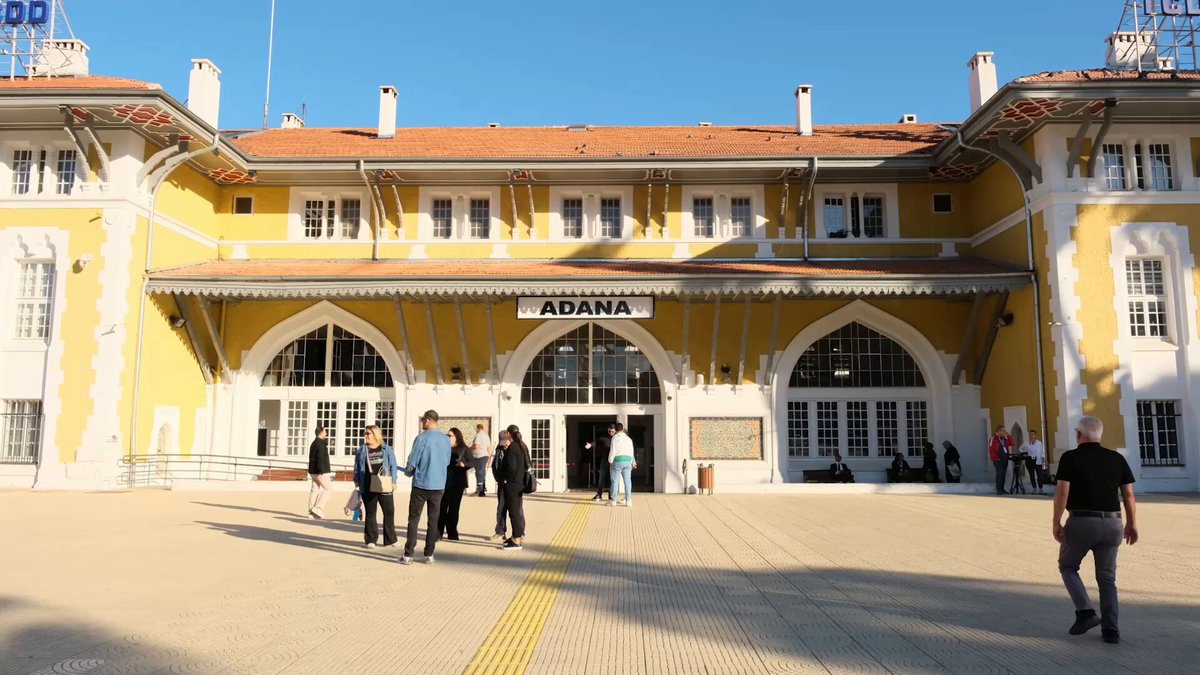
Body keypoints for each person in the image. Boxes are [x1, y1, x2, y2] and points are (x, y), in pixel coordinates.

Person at [1052, 416, 1137, 645]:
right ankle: (1111, 630)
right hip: (1112, 524)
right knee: (1107, 579)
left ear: (1078, 435)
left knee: (1068, 566)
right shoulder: (1116, 458)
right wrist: (1131, 523)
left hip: (1081, 522)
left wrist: (1056, 521)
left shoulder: (1070, 458)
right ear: (1100, 435)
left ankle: (1085, 612)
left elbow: (1062, 492)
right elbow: (1128, 495)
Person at [400, 410, 451, 565]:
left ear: (428, 420)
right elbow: (447, 461)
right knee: (433, 521)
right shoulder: (445, 440)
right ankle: (429, 554)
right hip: (438, 485)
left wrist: (408, 472)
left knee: (414, 520)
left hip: (421, 484)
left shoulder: (421, 438)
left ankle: (408, 554)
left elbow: (413, 459)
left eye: (423, 420)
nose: (422, 423)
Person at [352, 425, 398, 549]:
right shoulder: (362, 450)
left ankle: (390, 539)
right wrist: (356, 481)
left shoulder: (386, 448)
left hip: (384, 484)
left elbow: (393, 465)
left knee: (389, 512)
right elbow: (356, 467)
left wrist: (394, 481)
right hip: (367, 485)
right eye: (365, 433)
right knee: (371, 513)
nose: (365, 436)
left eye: (368, 433)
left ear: (375, 434)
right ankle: (371, 539)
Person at [495, 427, 531, 550]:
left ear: (508, 434)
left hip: (512, 484)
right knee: (516, 511)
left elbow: (510, 467)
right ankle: (516, 536)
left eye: (506, 433)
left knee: (514, 512)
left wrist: (504, 478)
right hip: (519, 483)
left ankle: (516, 540)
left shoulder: (513, 447)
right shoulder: (522, 446)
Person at [438, 427, 470, 541]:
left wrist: (463, 464)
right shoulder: (443, 448)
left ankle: (452, 532)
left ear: (456, 437)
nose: (448, 437)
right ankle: (438, 533)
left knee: (454, 509)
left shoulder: (464, 448)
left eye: (450, 435)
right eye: (447, 435)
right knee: (441, 508)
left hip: (457, 483)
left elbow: (472, 461)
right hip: (443, 482)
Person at [490, 429, 513, 542]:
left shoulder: (516, 449)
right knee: (501, 508)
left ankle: (518, 533)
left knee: (515, 510)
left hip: (513, 484)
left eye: (506, 439)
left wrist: (509, 449)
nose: (504, 442)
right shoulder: (499, 449)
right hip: (502, 483)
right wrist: (498, 479)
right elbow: (495, 465)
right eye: (502, 439)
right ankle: (500, 531)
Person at [608, 422, 636, 507]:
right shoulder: (629, 439)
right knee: (627, 481)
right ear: (623, 429)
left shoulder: (615, 438)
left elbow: (613, 450)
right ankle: (628, 501)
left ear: (615, 430)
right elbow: (631, 451)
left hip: (617, 460)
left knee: (615, 481)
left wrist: (610, 460)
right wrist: (632, 462)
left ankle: (613, 501)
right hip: (627, 461)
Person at [307, 425, 331, 519]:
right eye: (325, 431)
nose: (326, 433)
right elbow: (320, 458)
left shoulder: (314, 443)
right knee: (328, 489)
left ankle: (311, 512)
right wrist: (321, 471)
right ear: (321, 433)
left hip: (313, 471)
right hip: (320, 471)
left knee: (315, 490)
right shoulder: (320, 443)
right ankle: (318, 508)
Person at [585, 424, 614, 501]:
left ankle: (611, 496)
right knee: (601, 478)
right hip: (604, 461)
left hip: (613, 462)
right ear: (608, 430)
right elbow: (596, 442)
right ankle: (599, 494)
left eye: (612, 431)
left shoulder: (616, 439)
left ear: (615, 431)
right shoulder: (604, 439)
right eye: (610, 431)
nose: (611, 432)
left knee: (612, 479)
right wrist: (590, 445)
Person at [988, 425, 1014, 495]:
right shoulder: (993, 439)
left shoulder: (1004, 439)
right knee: (999, 474)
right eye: (1003, 431)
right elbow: (991, 450)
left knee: (1003, 475)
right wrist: (996, 458)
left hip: (1005, 460)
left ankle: (1002, 489)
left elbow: (1012, 444)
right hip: (998, 460)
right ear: (999, 431)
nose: (1005, 432)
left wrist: (1009, 436)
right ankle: (999, 489)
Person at [470, 423, 492, 497]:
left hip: (479, 456)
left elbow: (476, 446)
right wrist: (489, 459)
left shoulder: (479, 435)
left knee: (479, 473)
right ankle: (482, 490)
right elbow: (489, 448)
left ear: (477, 428)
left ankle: (479, 490)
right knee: (482, 473)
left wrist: (469, 449)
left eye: (476, 429)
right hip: (485, 456)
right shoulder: (486, 436)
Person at [1023, 430, 1047, 495]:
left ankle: (1041, 489)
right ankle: (1034, 489)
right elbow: (1020, 449)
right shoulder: (1026, 443)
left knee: (1039, 475)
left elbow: (1042, 452)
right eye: (1030, 434)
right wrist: (1025, 454)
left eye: (1033, 434)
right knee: (1032, 475)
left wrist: (1043, 459)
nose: (1031, 435)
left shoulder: (1039, 443)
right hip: (1029, 461)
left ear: (1035, 435)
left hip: (1037, 460)